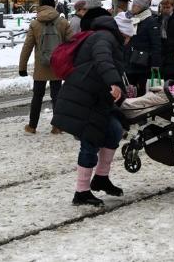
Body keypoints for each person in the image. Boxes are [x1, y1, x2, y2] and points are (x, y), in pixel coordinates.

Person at [51, 15, 128, 206]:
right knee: (90, 141)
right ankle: (82, 191)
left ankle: (101, 178)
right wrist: (114, 83)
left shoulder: (104, 37)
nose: (128, 40)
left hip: (96, 97)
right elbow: (103, 60)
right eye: (128, 36)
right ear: (122, 32)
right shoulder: (104, 38)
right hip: (84, 98)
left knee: (114, 130)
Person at [19, 0, 74, 134]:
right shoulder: (63, 22)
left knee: (37, 96)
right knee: (57, 95)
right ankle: (57, 126)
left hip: (41, 66)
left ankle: (32, 126)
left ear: (41, 5)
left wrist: (22, 67)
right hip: (57, 64)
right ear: (54, 6)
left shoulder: (35, 23)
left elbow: (27, 46)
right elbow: (72, 43)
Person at [127, 0, 161, 95]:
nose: (132, 7)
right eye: (133, 5)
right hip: (131, 61)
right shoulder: (132, 18)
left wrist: (155, 64)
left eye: (135, 6)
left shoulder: (150, 21)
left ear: (141, 7)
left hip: (144, 62)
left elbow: (156, 44)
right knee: (131, 90)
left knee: (142, 89)